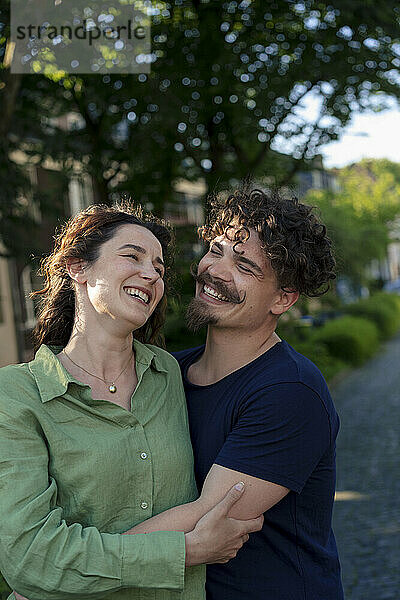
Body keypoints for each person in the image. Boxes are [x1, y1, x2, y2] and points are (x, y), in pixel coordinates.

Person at [0, 204, 263, 600]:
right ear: (77, 267)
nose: (151, 274)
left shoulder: (171, 375)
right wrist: (185, 551)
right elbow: (31, 558)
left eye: (158, 267)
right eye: (132, 256)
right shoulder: (16, 395)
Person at [172, 187, 345, 599]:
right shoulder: (168, 373)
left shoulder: (290, 391)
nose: (216, 270)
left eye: (245, 266)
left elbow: (205, 520)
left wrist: (68, 572)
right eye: (216, 249)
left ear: (283, 299)